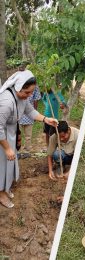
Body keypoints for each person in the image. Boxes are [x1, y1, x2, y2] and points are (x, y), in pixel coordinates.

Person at [0, 70, 58, 208]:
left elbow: (30, 111)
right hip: (2, 138)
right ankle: (1, 193)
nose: (29, 95)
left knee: (9, 164)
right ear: (18, 87)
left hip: (11, 134)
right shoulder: (6, 101)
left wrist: (46, 119)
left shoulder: (22, 98)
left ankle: (5, 188)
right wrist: (7, 148)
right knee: (1, 165)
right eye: (27, 92)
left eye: (31, 92)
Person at [19, 85, 41, 156]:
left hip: (29, 113)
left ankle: (26, 151)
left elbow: (36, 99)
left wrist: (35, 114)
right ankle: (17, 151)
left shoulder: (35, 86)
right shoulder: (18, 85)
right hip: (18, 114)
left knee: (28, 135)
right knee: (17, 134)